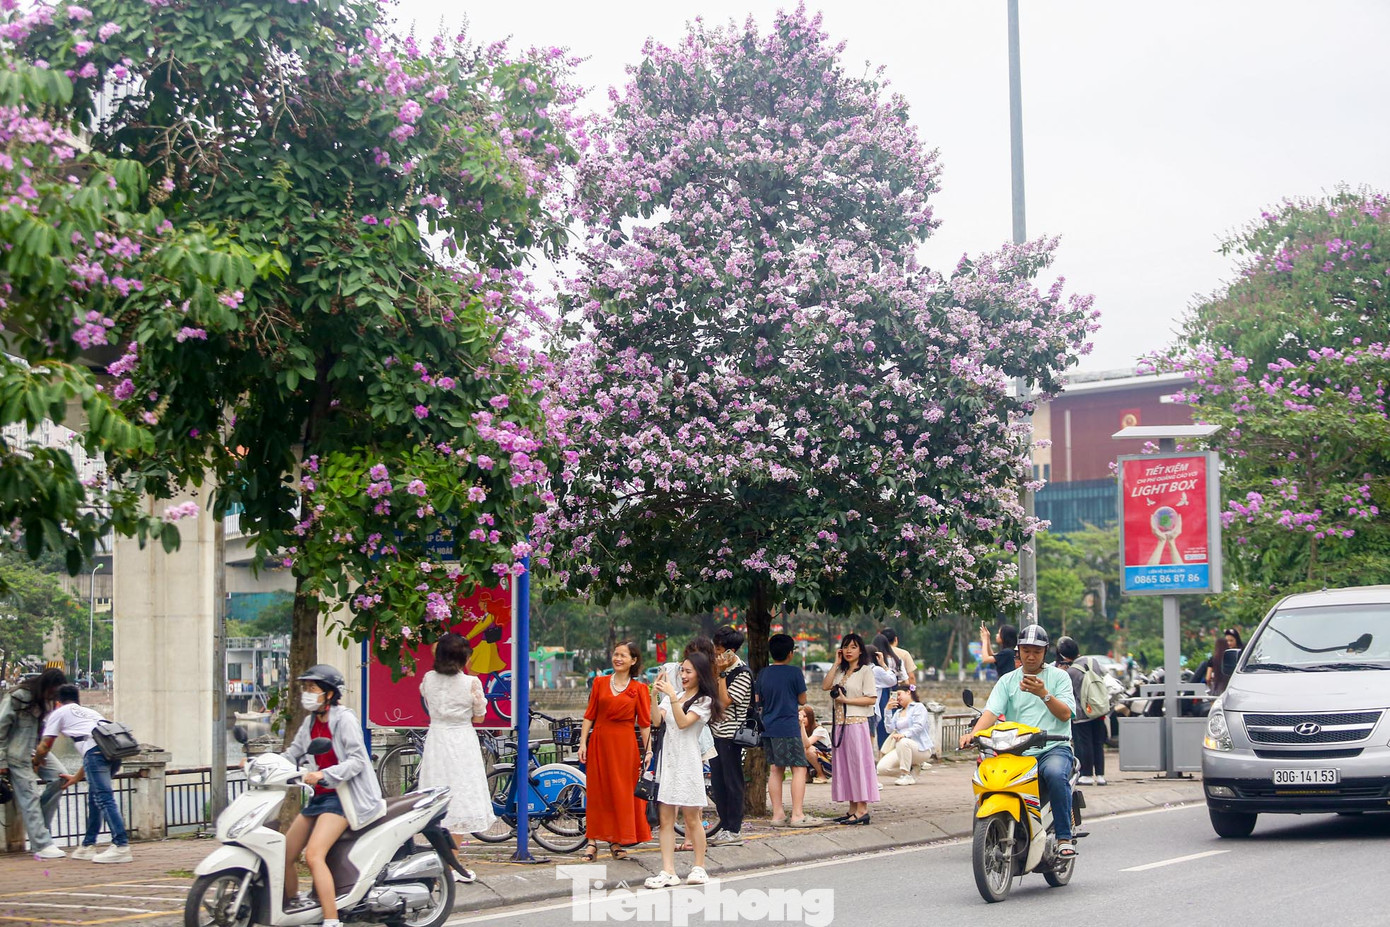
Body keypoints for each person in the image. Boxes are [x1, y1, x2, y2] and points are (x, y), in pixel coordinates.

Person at [960, 625, 1078, 857]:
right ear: (1019, 651)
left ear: (1045, 652)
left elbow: (1065, 714)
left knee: (1055, 774)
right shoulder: (1007, 681)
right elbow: (991, 712)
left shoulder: (1059, 677)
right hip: (1016, 751)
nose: (1031, 656)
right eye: (1026, 651)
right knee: (992, 777)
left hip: (1053, 748)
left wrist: (1043, 694)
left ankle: (1064, 838)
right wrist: (973, 734)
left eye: (1036, 651)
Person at [280, 665, 384, 925]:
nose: (307, 693)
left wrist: (323, 774)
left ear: (329, 693)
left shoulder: (344, 719)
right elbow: (292, 754)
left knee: (314, 855)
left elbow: (357, 760)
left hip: (343, 797)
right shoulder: (310, 722)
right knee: (284, 853)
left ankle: (331, 919)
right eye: (305, 688)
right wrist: (261, 764)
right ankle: (294, 907)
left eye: (312, 688)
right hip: (319, 797)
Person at [417, 633, 494, 882]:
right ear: (463, 658)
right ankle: (452, 864)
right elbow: (479, 717)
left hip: (436, 740)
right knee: (460, 798)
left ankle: (442, 862)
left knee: (437, 796)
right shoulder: (471, 683)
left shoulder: (428, 679)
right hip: (462, 741)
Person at [644, 653, 723, 889]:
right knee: (665, 819)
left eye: (689, 671)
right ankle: (668, 871)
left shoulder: (705, 701)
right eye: (682, 671)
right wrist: (654, 695)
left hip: (688, 762)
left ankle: (699, 866)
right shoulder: (675, 696)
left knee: (691, 818)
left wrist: (671, 696)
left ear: (700, 674)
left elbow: (683, 722)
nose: (683, 675)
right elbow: (656, 720)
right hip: (668, 762)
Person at [32, 684, 130, 862]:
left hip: (96, 754)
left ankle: (121, 845)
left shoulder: (59, 713)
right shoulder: (91, 713)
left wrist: (36, 762)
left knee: (104, 798)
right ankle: (88, 845)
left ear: (57, 702)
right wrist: (76, 778)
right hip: (113, 753)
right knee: (95, 799)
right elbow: (91, 752)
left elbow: (45, 745)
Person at [578, 641, 653, 862]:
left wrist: (648, 751)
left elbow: (645, 724)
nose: (618, 658)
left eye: (623, 655)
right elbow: (589, 715)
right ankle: (592, 841)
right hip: (600, 742)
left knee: (621, 793)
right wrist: (583, 743)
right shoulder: (599, 682)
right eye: (616, 654)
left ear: (633, 660)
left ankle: (616, 840)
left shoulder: (640, 689)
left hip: (625, 747)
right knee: (598, 792)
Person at [0, 669, 68, 859]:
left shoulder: (45, 701)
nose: (53, 696)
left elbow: (41, 729)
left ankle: (40, 831)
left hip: (33, 748)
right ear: (46, 685)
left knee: (60, 778)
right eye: (52, 691)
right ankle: (41, 844)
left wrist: (39, 757)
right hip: (15, 754)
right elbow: (0, 730)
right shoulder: (18, 696)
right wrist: (1, 761)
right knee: (29, 795)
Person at [756, 633, 815, 828]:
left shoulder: (763, 673)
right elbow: (803, 700)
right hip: (788, 726)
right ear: (790, 653)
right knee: (799, 768)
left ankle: (777, 815)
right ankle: (797, 814)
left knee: (775, 769)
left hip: (768, 727)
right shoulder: (794, 673)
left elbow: (758, 700)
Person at [823, 633, 880, 824]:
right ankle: (852, 808)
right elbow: (825, 685)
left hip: (856, 723)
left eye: (853, 647)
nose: (849, 651)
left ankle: (862, 809)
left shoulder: (865, 671)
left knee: (858, 767)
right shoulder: (841, 671)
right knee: (845, 767)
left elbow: (871, 698)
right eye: (846, 647)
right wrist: (836, 663)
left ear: (861, 650)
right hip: (840, 724)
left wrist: (847, 700)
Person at [708, 625, 753, 846]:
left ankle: (734, 830)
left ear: (730, 651)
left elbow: (724, 701)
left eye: (719, 649)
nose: (715, 653)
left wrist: (723, 674)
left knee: (732, 782)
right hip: (715, 734)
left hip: (731, 736)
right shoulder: (717, 669)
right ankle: (724, 826)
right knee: (718, 783)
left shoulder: (742, 673)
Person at [1055, 637, 1106, 786]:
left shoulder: (1070, 672)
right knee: (1098, 742)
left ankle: (1086, 775)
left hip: (1082, 713)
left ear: (1064, 656)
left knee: (1084, 743)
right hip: (1099, 707)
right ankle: (1101, 775)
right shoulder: (1093, 661)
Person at [876, 685, 933, 785]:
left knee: (903, 742)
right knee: (881, 768)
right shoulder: (898, 712)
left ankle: (906, 775)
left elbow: (919, 726)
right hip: (902, 748)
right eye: (895, 695)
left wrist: (904, 735)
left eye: (899, 694)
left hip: (920, 749)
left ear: (908, 692)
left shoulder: (919, 707)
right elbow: (889, 729)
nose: (897, 698)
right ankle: (912, 770)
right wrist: (887, 711)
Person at [870, 635, 906, 748]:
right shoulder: (897, 660)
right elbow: (905, 679)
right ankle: (895, 748)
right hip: (895, 693)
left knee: (882, 725)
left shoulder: (875, 663)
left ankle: (883, 749)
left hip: (881, 695)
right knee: (895, 722)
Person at [800, 705, 831, 783]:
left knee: (808, 750)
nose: (802, 719)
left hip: (827, 762)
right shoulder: (799, 730)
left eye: (805, 716)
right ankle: (806, 775)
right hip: (812, 761)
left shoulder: (820, 730)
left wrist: (802, 726)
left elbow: (806, 744)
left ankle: (822, 775)